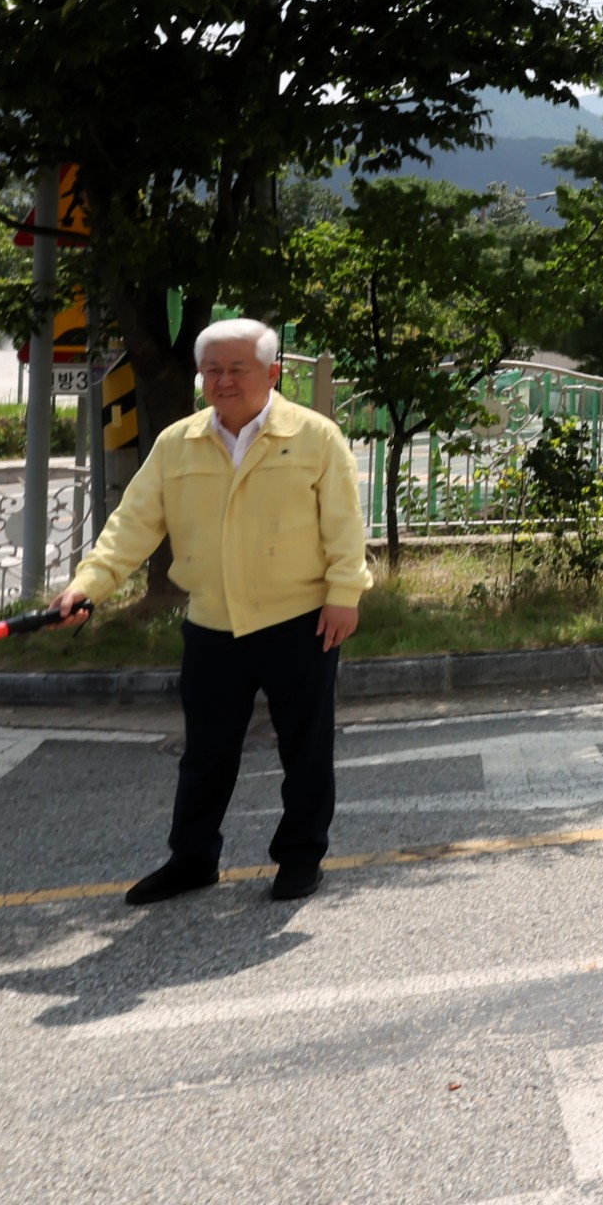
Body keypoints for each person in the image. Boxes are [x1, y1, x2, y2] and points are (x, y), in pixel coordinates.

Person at [51, 317, 369, 904]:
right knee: (206, 753)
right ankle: (192, 858)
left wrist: (344, 594)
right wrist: (88, 585)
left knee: (305, 748)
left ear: (272, 372)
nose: (223, 381)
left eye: (237, 369)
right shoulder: (179, 443)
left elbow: (345, 526)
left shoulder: (315, 437)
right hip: (212, 623)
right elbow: (133, 524)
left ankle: (300, 857)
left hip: (301, 620)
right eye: (212, 369)